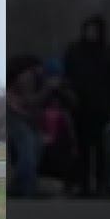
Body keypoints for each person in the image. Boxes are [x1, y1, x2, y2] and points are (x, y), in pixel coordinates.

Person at [63, 14, 110, 197]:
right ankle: (83, 185)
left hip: (103, 107)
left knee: (101, 148)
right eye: (89, 29)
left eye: (95, 30)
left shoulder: (109, 52)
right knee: (82, 148)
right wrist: (68, 97)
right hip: (80, 107)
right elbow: (67, 77)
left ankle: (101, 185)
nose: (92, 33)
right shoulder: (75, 51)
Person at [8, 55, 56, 198]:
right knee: (27, 147)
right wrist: (46, 90)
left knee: (37, 146)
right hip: (15, 116)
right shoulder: (27, 78)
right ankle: (26, 186)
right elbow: (29, 102)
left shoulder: (41, 81)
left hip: (27, 118)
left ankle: (19, 184)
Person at [37, 58, 80, 195]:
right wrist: (46, 91)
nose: (53, 81)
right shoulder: (42, 90)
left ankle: (68, 184)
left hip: (62, 133)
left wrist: (59, 90)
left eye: (55, 77)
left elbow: (73, 104)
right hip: (45, 132)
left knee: (65, 158)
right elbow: (36, 104)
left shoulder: (66, 89)